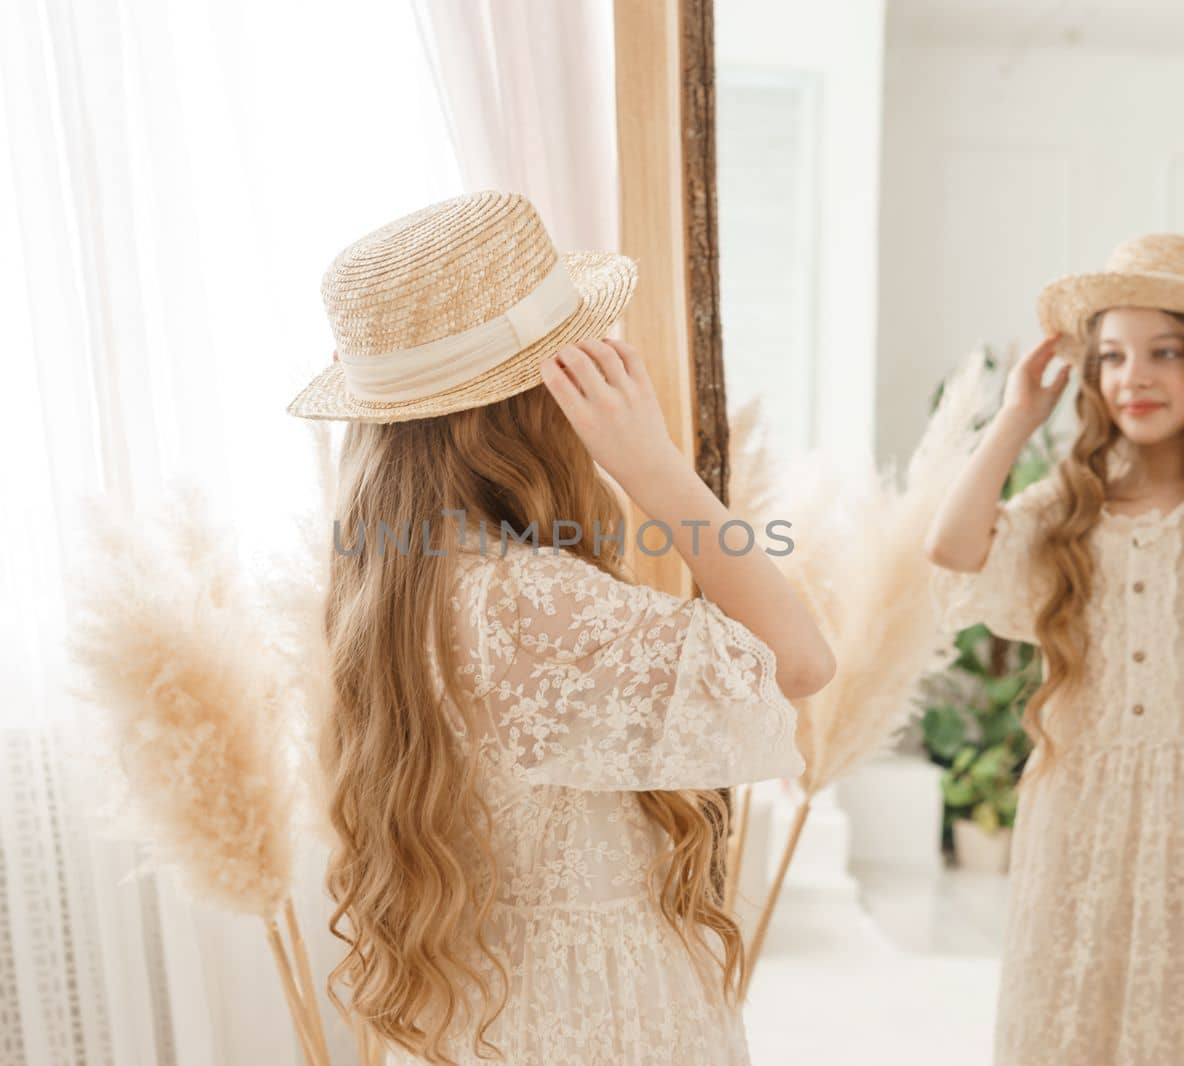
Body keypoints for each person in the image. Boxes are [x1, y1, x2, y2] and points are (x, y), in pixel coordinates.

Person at [287, 189, 835, 1065]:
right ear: (536, 400)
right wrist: (655, 468)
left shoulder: (393, 584)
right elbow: (800, 662)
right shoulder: (522, 601)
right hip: (598, 1017)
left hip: (487, 1005)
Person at [924, 234, 1184, 1066]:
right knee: (1065, 1012)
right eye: (1110, 357)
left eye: (1164, 353)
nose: (1133, 377)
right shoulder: (1075, 501)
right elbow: (952, 548)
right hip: (1079, 804)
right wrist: (1015, 418)